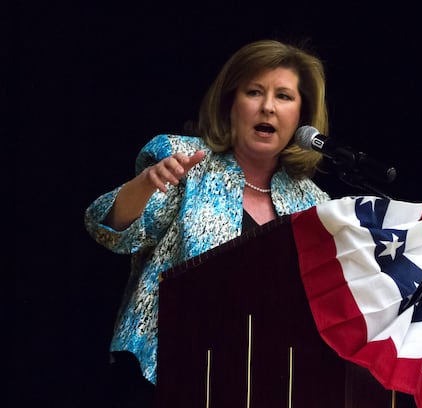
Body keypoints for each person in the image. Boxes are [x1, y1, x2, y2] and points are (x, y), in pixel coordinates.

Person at [84, 39, 331, 406]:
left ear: (302, 117)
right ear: (231, 103)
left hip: (263, 385)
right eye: (254, 92)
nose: (267, 107)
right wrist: (146, 183)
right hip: (162, 377)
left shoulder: (315, 205)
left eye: (283, 96)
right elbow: (107, 230)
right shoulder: (185, 161)